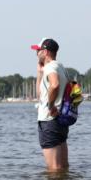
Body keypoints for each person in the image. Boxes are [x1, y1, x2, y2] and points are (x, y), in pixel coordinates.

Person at [32, 38, 69, 171]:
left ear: (45, 52)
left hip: (49, 121)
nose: (36, 53)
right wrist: (39, 73)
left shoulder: (50, 67)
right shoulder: (60, 67)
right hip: (60, 121)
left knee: (53, 168)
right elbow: (40, 95)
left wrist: (50, 106)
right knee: (63, 166)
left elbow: (55, 84)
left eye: (38, 50)